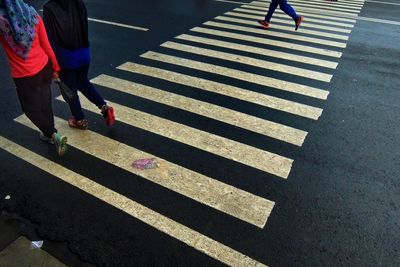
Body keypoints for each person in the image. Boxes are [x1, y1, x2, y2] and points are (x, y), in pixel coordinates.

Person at [0, 0, 68, 156]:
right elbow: (47, 45)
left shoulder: (2, 23)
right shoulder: (32, 14)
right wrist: (55, 66)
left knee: (30, 109)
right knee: (45, 100)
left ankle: (53, 135)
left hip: (24, 76)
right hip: (44, 67)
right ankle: (49, 133)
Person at [43, 0, 115, 130]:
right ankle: (104, 107)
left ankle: (79, 120)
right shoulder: (78, 2)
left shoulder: (49, 8)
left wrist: (53, 65)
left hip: (66, 56)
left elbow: (50, 39)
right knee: (83, 82)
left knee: (70, 90)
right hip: (84, 51)